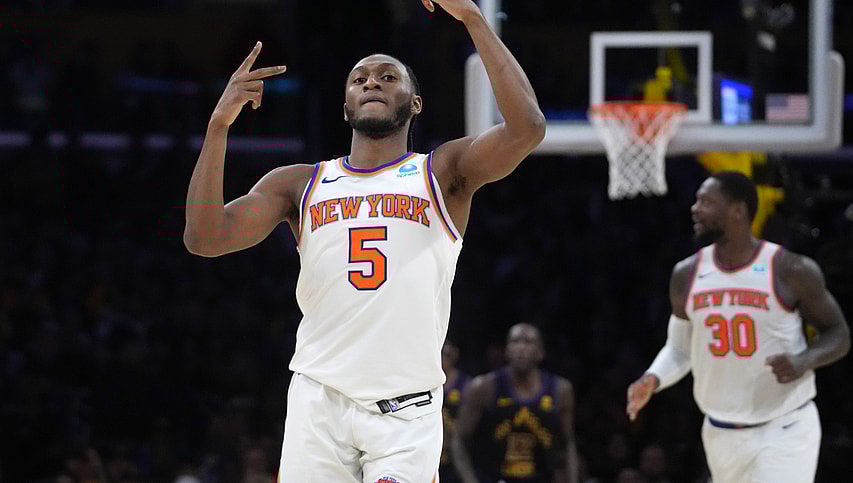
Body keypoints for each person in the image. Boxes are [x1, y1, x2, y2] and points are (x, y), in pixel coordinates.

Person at [183, 0, 546, 480]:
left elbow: (528, 128)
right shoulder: (299, 183)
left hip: (405, 410)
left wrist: (474, 19)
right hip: (319, 401)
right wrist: (217, 127)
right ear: (346, 106)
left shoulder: (441, 172)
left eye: (388, 77)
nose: (372, 81)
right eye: (360, 79)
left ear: (415, 104)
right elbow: (205, 238)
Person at [626, 171, 851, 483]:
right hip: (721, 432)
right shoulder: (687, 274)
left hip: (784, 427)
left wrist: (804, 361)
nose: (695, 208)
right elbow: (679, 349)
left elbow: (838, 333)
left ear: (738, 211)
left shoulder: (789, 269)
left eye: (706, 202)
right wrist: (653, 378)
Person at [452, 323, 579, 483]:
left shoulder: (561, 390)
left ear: (541, 352)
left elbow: (567, 444)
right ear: (507, 350)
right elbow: (459, 441)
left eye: (528, 342)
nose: (521, 348)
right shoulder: (484, 388)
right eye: (515, 341)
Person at [440, 341, 471, 483]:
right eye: (440, 354)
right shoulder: (422, 382)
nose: (442, 360)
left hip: (454, 454)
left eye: (446, 355)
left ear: (455, 356)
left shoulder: (466, 385)